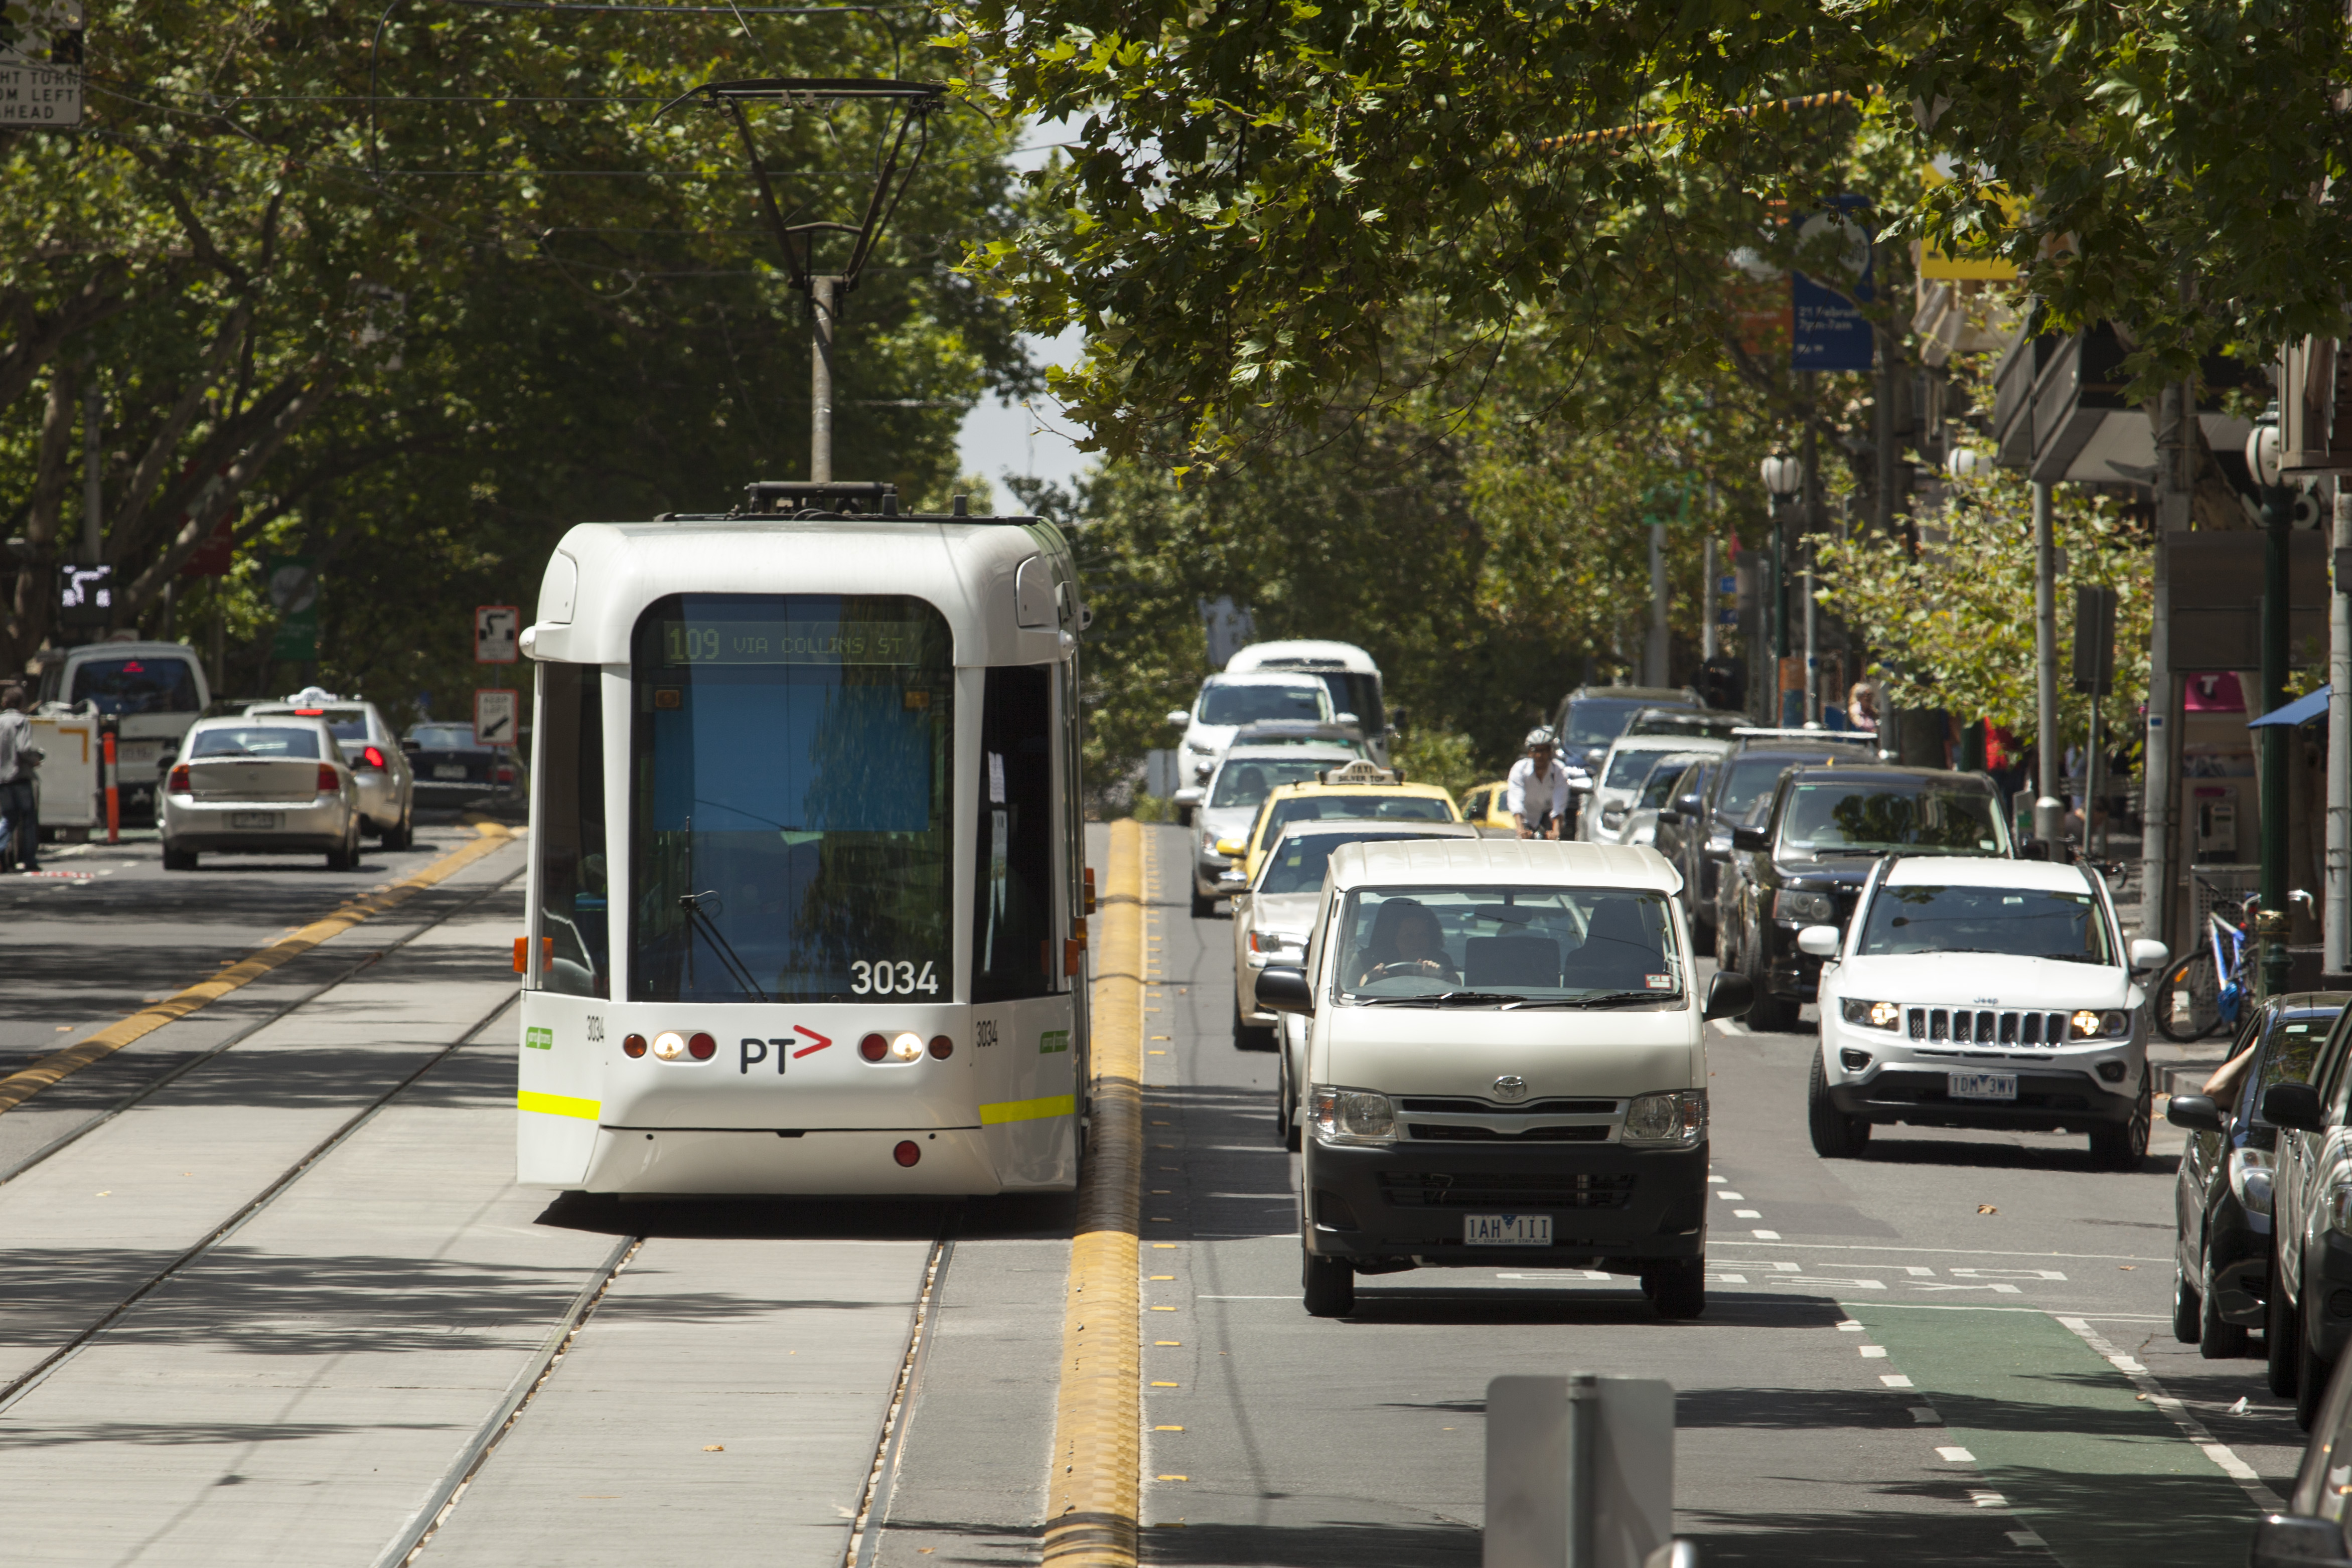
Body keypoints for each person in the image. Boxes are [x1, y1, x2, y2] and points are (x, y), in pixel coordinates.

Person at [1353, 899, 1461, 987]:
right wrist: (1371, 979)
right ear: (1392, 939)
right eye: (1409, 936)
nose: (1417, 941)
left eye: (1423, 935)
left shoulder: (1441, 960)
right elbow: (1351, 998)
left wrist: (1437, 978)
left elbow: (1457, 991)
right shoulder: (1366, 961)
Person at [1506, 726, 1572, 840]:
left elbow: (1559, 801)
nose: (1539, 756)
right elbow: (1516, 799)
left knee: (1553, 841)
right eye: (1535, 750)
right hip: (1527, 816)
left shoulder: (1558, 771)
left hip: (1548, 816)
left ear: (1550, 751)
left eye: (1544, 750)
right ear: (1530, 753)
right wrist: (1520, 828)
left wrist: (1556, 832)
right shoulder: (1520, 769)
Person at [0, 684, 38, 873]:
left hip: (2, 779)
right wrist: (35, 760)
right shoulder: (22, 721)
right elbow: (23, 749)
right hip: (20, 777)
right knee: (28, 818)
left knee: (8, 818)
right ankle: (30, 859)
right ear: (22, 703)